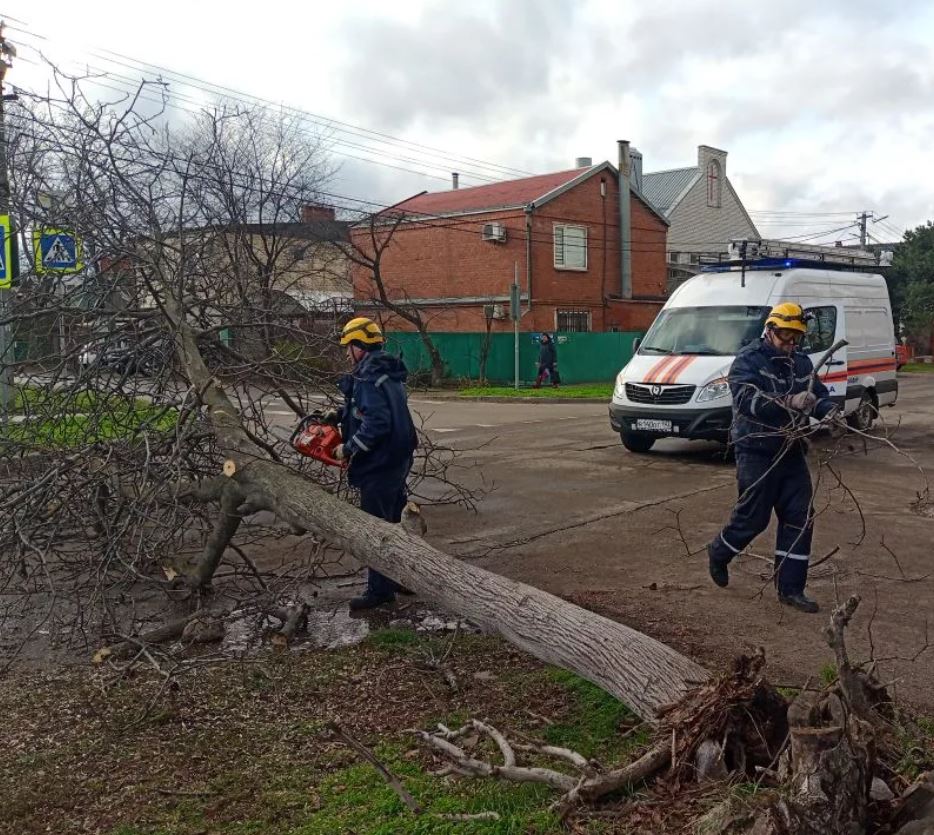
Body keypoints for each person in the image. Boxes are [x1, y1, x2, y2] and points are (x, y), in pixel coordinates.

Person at [706, 302, 838, 613]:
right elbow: (748, 401)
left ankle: (791, 589)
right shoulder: (748, 360)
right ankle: (719, 552)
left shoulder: (801, 363)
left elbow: (817, 394)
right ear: (770, 330)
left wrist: (828, 410)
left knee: (800, 517)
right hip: (756, 451)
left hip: (791, 451)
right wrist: (789, 401)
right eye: (785, 336)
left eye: (796, 338)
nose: (790, 343)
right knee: (754, 518)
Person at [329, 316, 418, 611]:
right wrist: (339, 415)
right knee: (395, 522)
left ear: (360, 346)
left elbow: (377, 422)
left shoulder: (368, 377)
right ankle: (401, 577)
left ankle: (380, 591)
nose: (346, 353)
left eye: (349, 346)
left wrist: (348, 448)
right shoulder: (386, 371)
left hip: (379, 463)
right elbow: (367, 409)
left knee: (376, 528)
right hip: (399, 456)